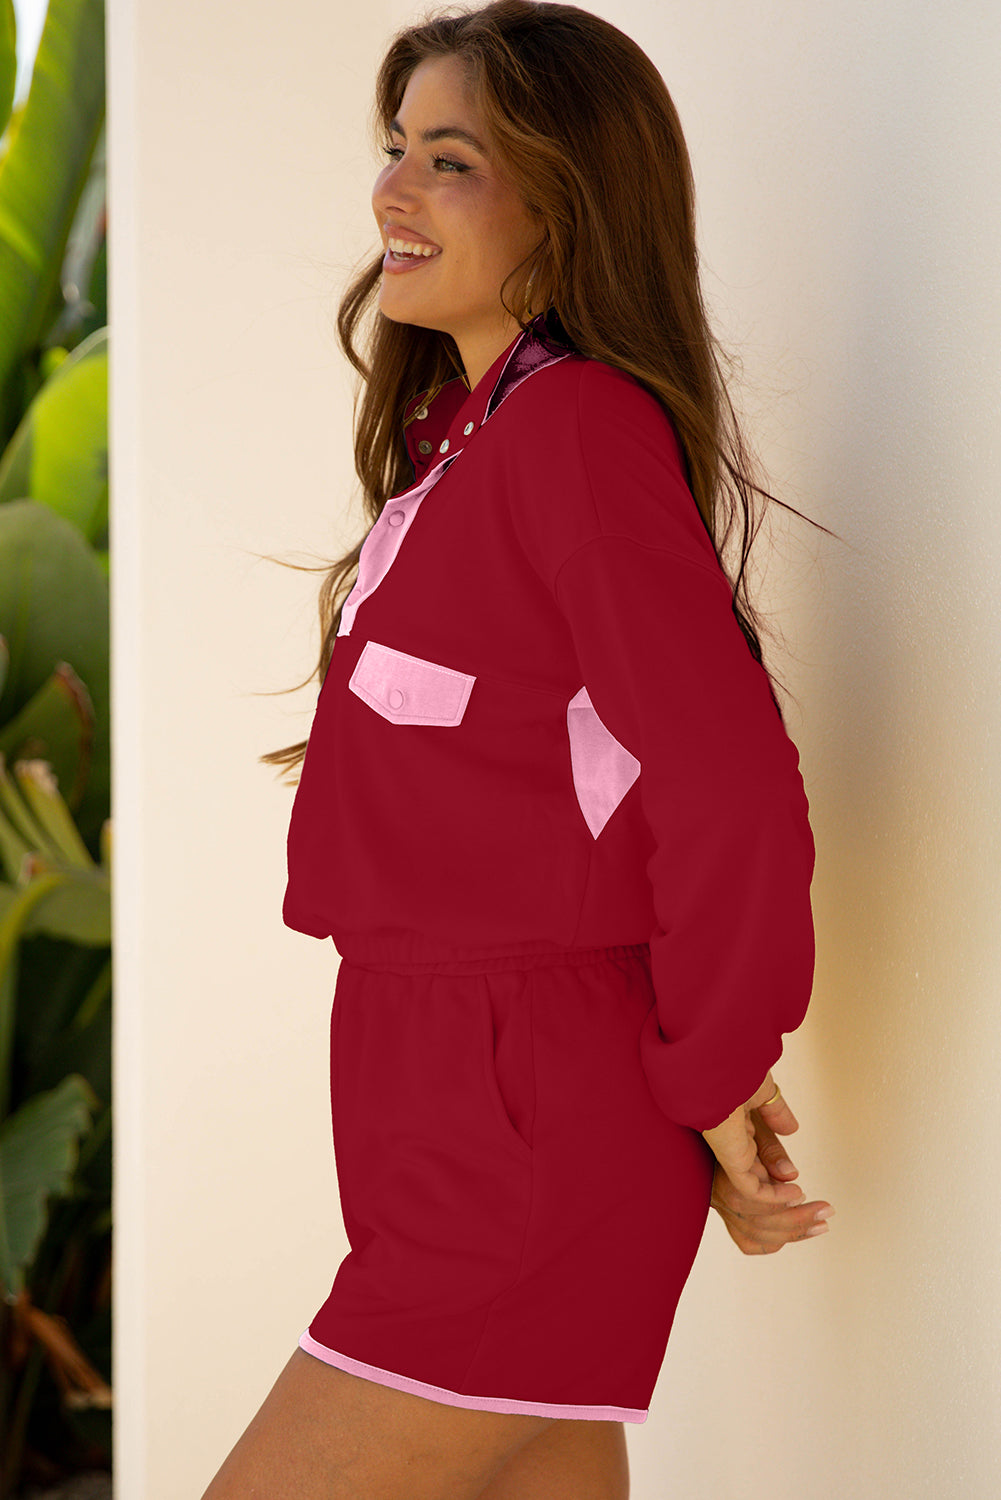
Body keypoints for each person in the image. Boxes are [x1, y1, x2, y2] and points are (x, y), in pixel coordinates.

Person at [201, 3, 833, 1496]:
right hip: (459, 1103)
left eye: (451, 160)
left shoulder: (574, 430)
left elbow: (728, 784)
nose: (392, 191)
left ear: (566, 201)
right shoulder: (466, 440)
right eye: (394, 149)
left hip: (520, 1128)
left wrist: (711, 1065)